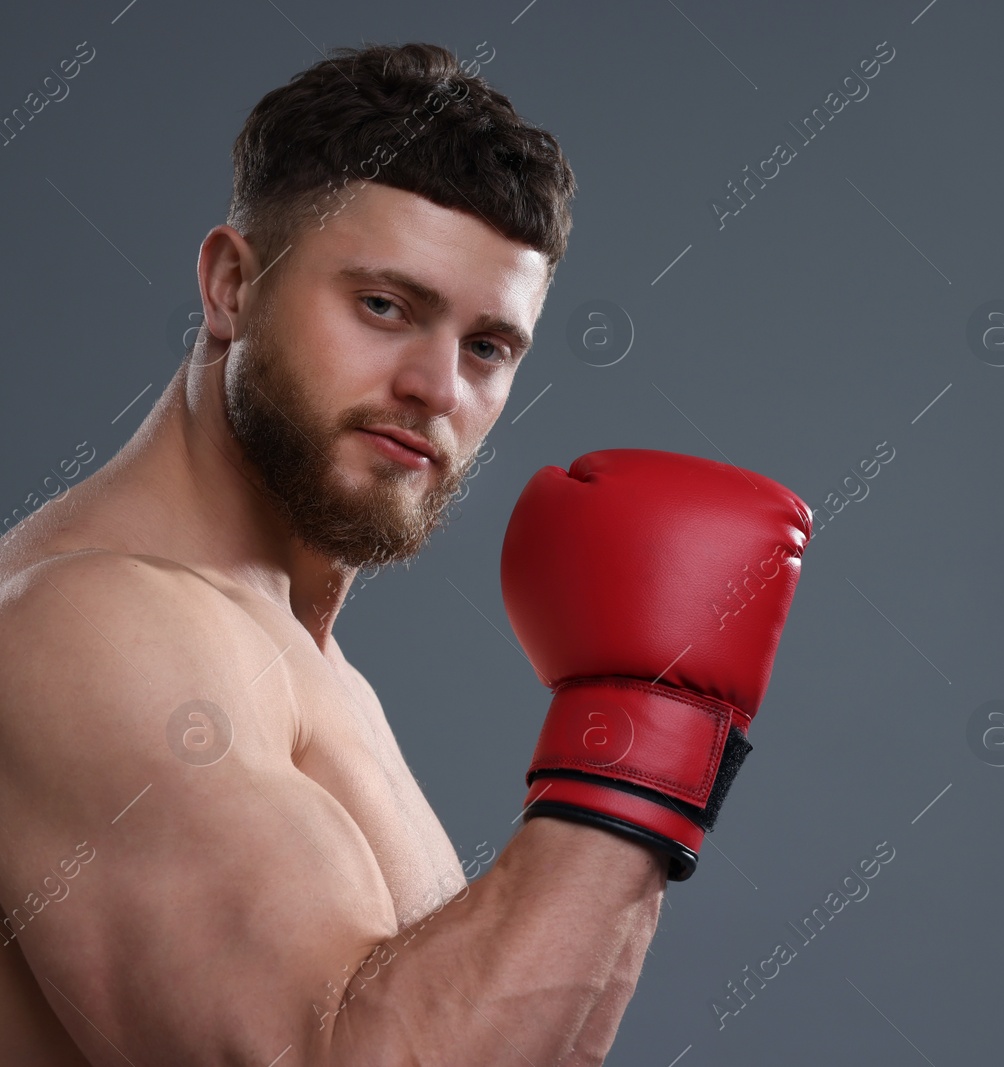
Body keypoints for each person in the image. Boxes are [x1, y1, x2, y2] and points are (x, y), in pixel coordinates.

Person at [0, 42, 808, 1064]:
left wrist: (658, 739)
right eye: (385, 306)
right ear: (230, 286)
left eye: (487, 347)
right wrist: (644, 736)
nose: (436, 386)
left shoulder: (308, 665)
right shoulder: (95, 624)